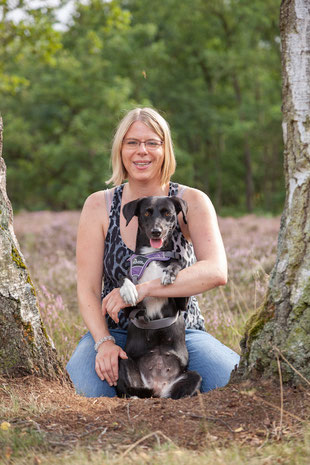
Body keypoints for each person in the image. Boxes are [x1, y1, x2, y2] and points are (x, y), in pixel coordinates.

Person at [66, 107, 240, 397]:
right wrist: (103, 342)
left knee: (234, 383)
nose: (141, 151)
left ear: (165, 149)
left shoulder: (190, 201)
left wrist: (144, 289)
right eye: (132, 142)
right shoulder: (99, 205)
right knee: (87, 392)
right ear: (120, 149)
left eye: (152, 143)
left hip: (180, 335)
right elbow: (86, 289)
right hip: (119, 334)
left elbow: (216, 271)